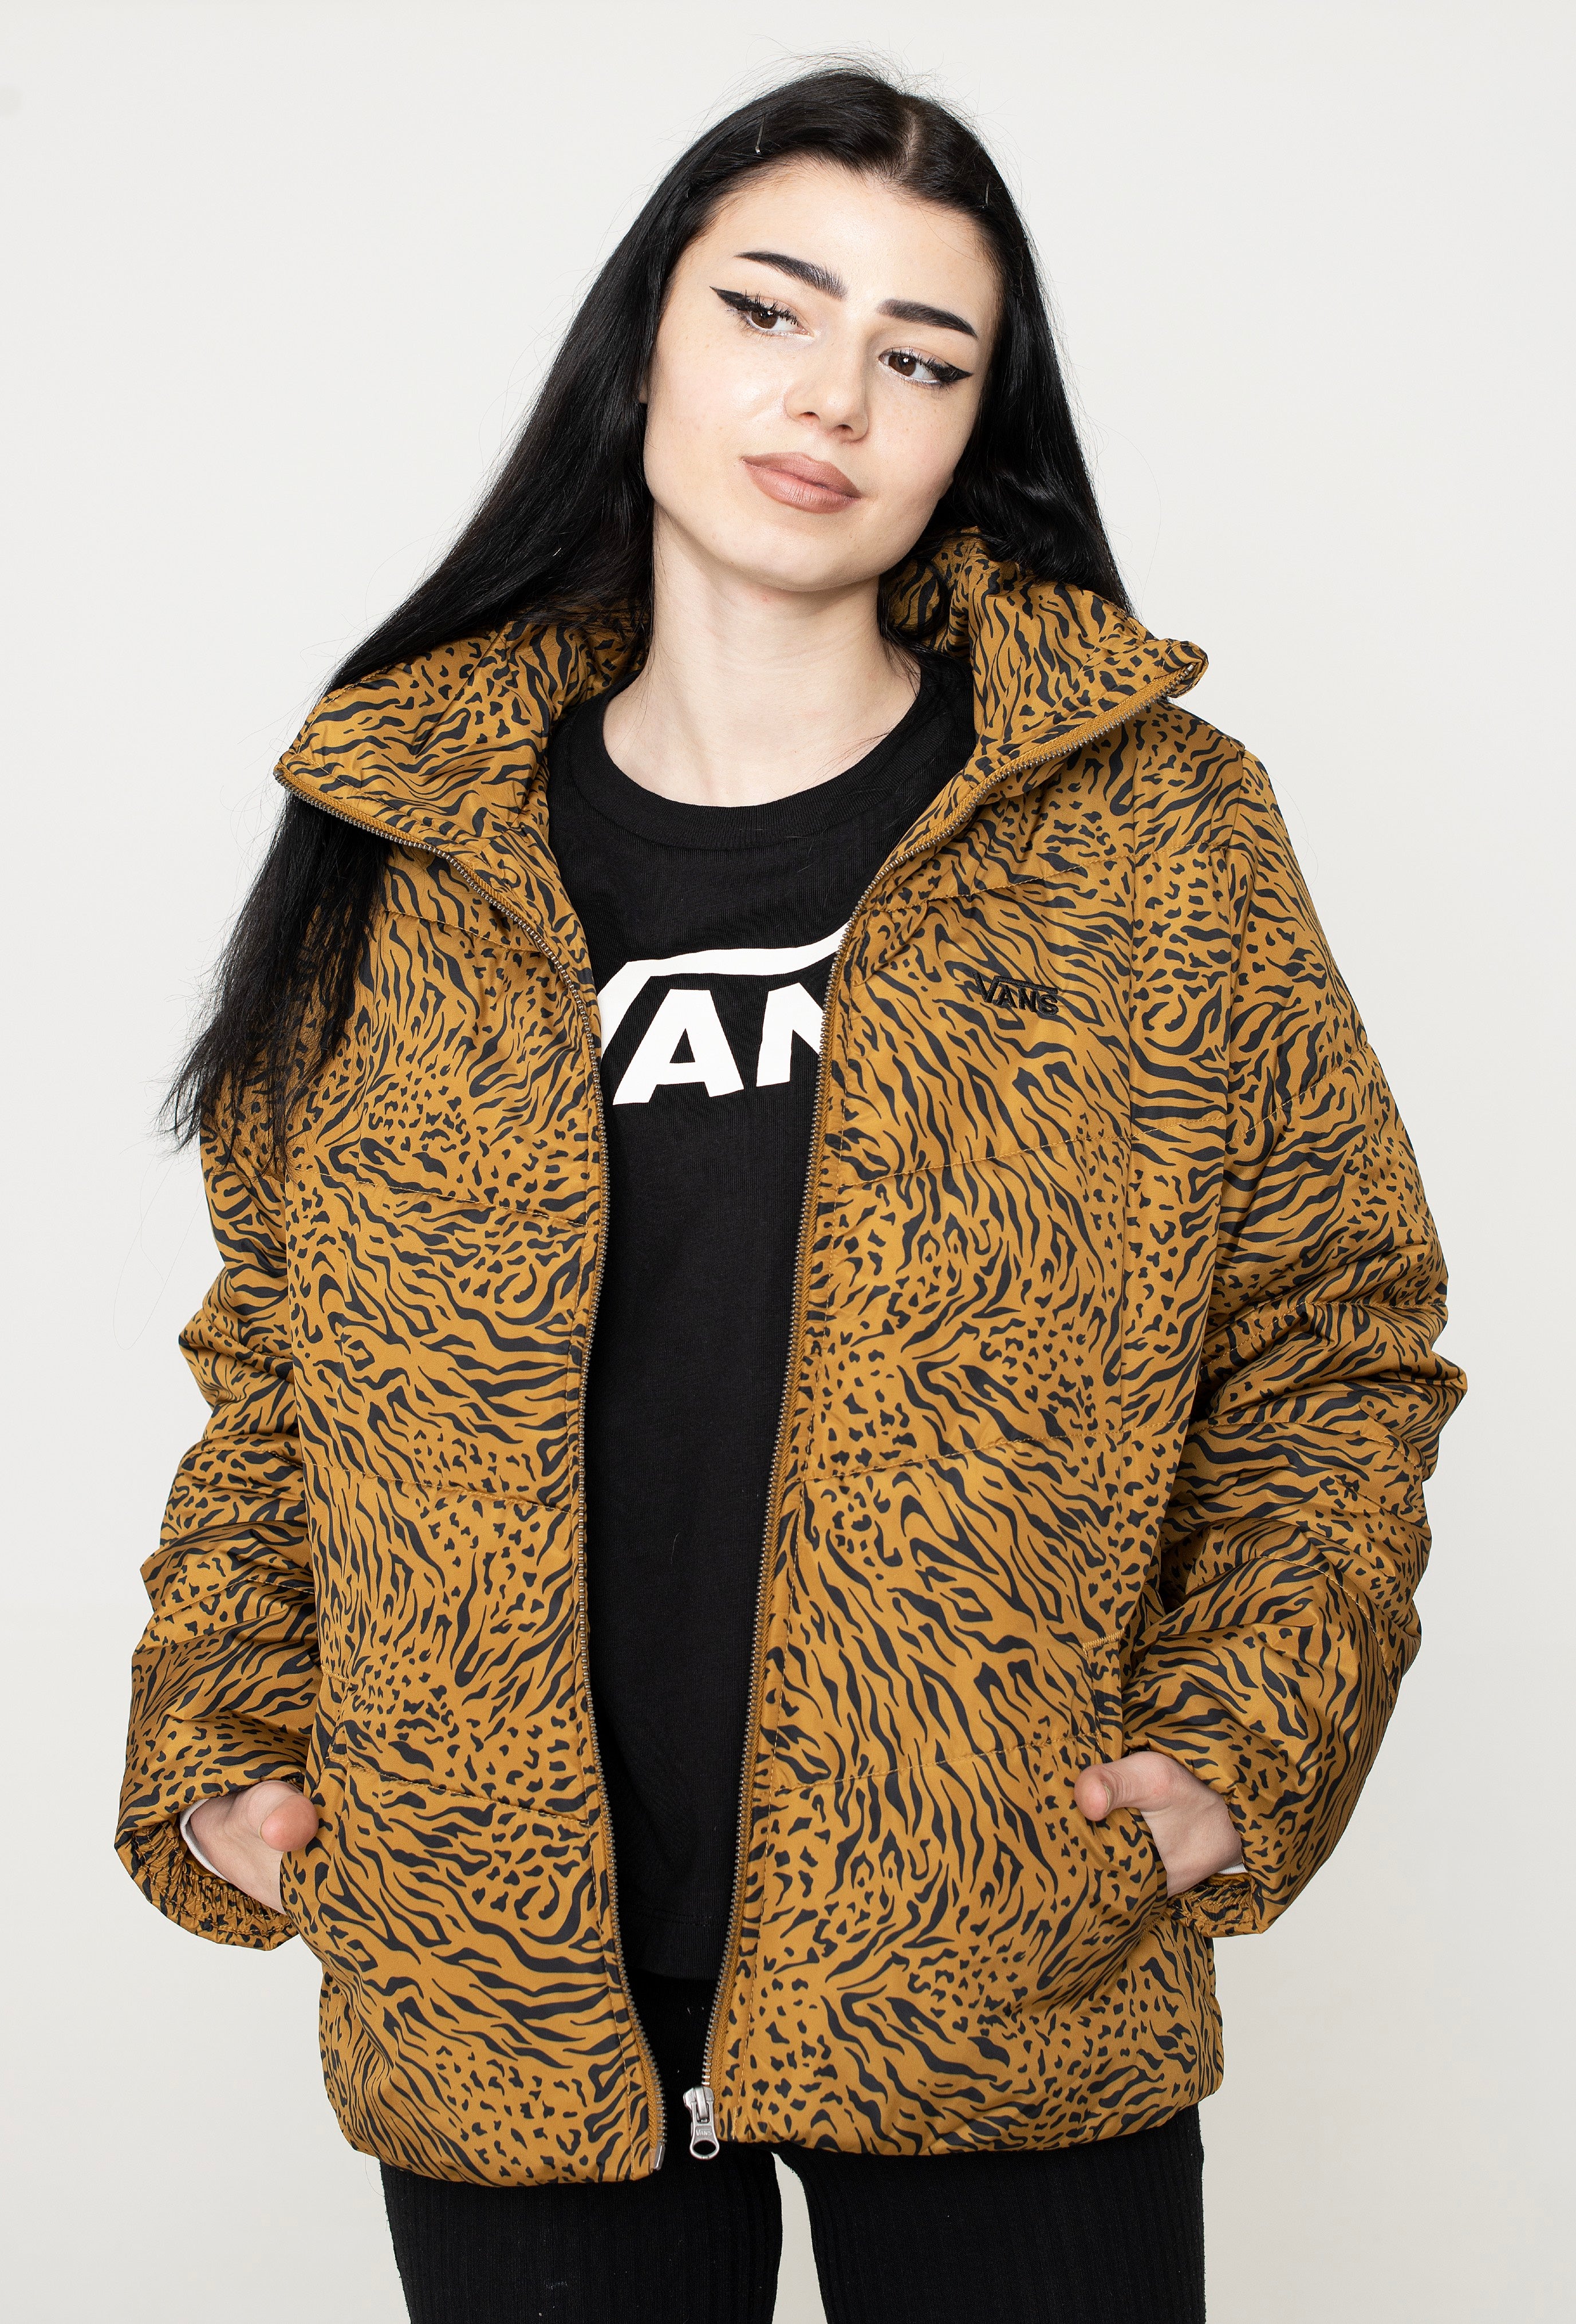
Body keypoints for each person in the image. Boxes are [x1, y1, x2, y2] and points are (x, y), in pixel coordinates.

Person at [116, 66, 1463, 2324]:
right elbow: (281, 1358)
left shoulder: (1150, 834)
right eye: (772, 309)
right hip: (507, 1981)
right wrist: (228, 1733)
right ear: (647, 329)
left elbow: (1337, 1336)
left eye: (921, 358)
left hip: (1001, 1957)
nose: (834, 395)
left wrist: (1246, 1739)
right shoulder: (411, 841)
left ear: (974, 431)